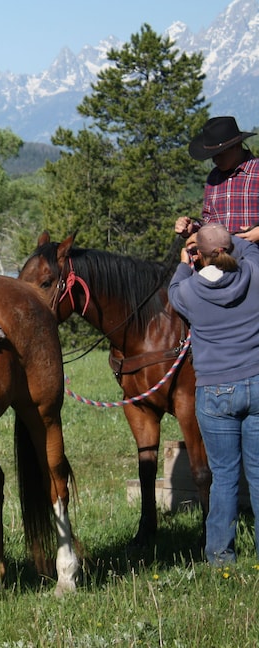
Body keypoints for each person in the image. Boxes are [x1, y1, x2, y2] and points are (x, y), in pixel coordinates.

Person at [168, 222, 259, 565]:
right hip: (258, 381)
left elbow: (175, 286)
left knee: (223, 475)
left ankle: (221, 555)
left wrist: (183, 258)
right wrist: (230, 237)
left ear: (199, 256)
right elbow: (248, 250)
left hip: (217, 390)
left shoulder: (189, 292)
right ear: (229, 250)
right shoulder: (254, 273)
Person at [175, 116, 259, 243]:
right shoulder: (213, 178)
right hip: (221, 258)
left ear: (236, 146)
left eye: (220, 154)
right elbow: (209, 221)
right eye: (212, 156)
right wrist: (192, 229)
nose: (215, 160)